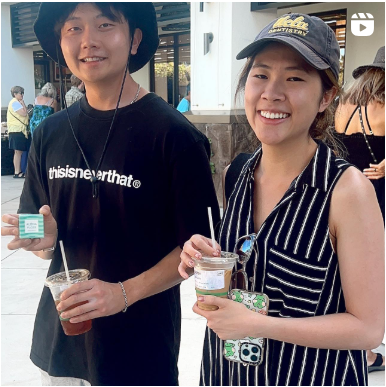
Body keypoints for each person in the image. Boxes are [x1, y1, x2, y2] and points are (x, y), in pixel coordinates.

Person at [1, 3, 219, 386]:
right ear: (61, 40)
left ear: (134, 38)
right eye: (74, 29)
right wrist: (42, 240)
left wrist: (123, 294)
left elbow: (198, 249)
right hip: (61, 343)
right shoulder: (49, 133)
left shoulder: (175, 136)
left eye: (105, 24)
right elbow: (40, 230)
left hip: (139, 349)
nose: (89, 41)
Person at [178, 14, 384, 386]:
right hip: (226, 373)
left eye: (294, 78)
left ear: (326, 97)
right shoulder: (237, 172)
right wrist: (205, 256)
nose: (271, 92)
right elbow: (244, 266)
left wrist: (260, 325)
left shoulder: (346, 190)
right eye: (260, 75)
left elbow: (369, 329)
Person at [335, 46, 385, 374]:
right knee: (373, 272)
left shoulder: (344, 104)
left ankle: (358, 347)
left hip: (341, 193)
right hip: (376, 197)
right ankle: (367, 348)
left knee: (346, 270)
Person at [7, 86, 29, 178]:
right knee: (18, 152)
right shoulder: (15, 103)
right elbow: (24, 113)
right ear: (15, 94)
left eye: (23, 93)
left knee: (18, 152)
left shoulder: (15, 102)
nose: (22, 95)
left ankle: (18, 171)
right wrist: (23, 103)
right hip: (17, 129)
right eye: (20, 93)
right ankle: (17, 172)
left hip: (16, 129)